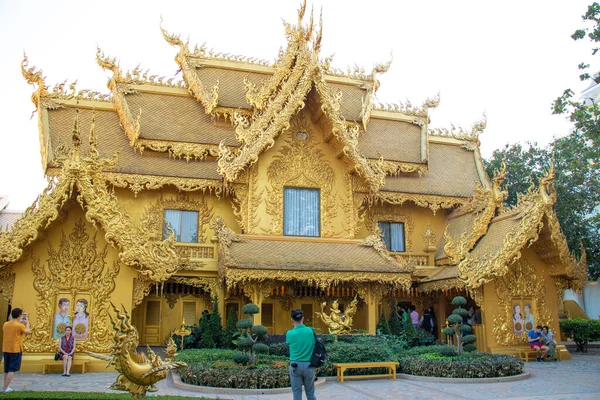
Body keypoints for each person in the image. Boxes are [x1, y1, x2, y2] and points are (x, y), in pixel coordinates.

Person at [285, 309, 316, 400]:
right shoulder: (310, 331)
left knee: (297, 393)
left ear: (292, 320)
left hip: (295, 365)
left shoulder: (290, 333)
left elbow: (288, 343)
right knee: (310, 393)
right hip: (309, 365)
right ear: (303, 318)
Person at [3, 308, 31, 392]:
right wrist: (27, 324)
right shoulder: (20, 325)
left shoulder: (6, 324)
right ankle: (5, 388)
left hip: (6, 348)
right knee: (11, 370)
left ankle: (5, 386)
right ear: (19, 315)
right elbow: (28, 332)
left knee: (6, 369)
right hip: (15, 349)